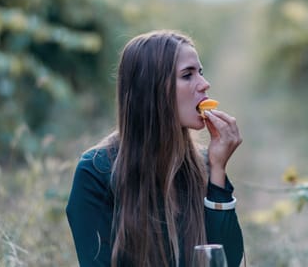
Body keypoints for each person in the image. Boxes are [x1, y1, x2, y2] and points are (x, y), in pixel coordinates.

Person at [66, 30, 244, 266]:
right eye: (187, 75)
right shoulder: (96, 172)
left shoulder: (202, 165)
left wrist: (218, 169)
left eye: (200, 72)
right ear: (153, 89)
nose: (204, 84)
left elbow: (225, 261)